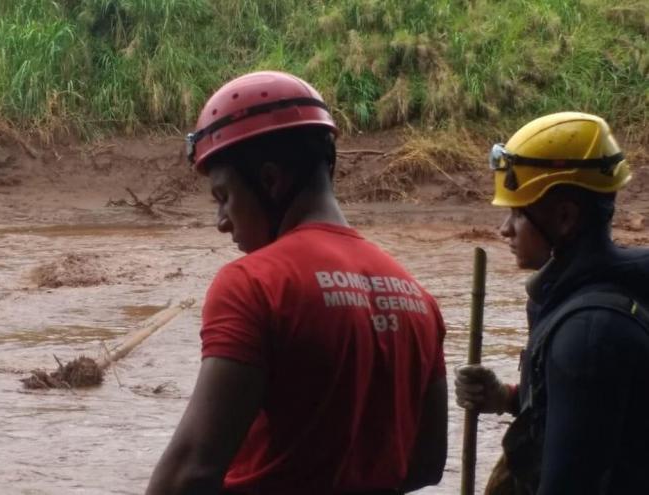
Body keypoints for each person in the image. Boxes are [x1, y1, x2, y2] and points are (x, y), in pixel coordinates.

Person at [146, 71, 447, 495]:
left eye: (224, 197)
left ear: (271, 180)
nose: (222, 222)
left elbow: (188, 476)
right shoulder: (417, 297)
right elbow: (426, 465)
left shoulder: (254, 285)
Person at [455, 111, 649, 494]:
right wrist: (508, 397)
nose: (504, 229)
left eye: (517, 213)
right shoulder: (586, 299)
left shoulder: (588, 334)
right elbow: (586, 416)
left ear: (563, 217)